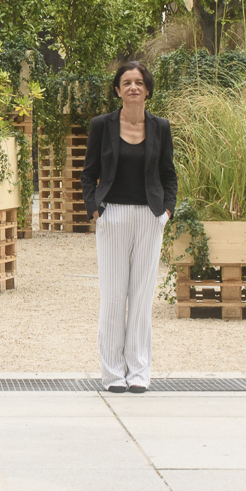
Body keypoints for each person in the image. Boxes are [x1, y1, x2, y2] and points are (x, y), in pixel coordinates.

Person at [81, 59, 178, 394]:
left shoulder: (161, 127)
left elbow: (169, 175)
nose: (133, 87)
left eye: (139, 82)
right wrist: (94, 208)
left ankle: (139, 371)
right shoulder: (101, 125)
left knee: (141, 296)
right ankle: (112, 374)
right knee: (112, 296)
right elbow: (87, 171)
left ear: (147, 89)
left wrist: (166, 211)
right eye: (126, 83)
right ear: (118, 90)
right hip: (113, 216)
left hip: (150, 217)